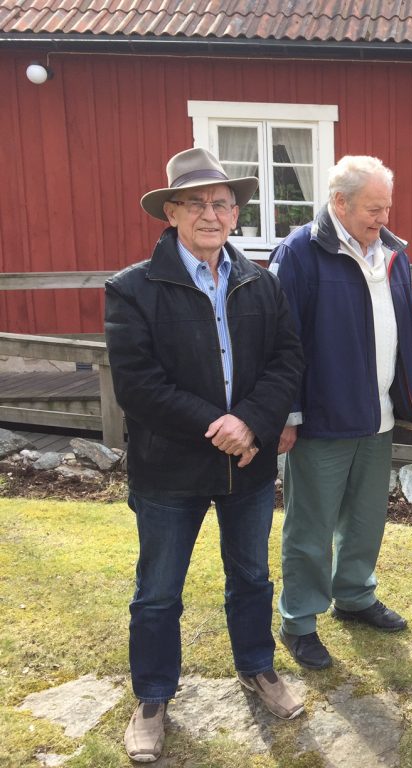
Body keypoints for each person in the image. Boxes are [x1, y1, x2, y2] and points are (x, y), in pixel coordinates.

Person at [105, 147, 305, 763]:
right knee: (159, 590)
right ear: (171, 212)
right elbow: (137, 383)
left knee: (251, 576)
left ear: (236, 212)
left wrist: (250, 422)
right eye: (197, 203)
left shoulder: (260, 282)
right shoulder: (133, 288)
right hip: (170, 469)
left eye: (223, 203)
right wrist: (216, 424)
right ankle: (153, 697)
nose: (212, 214)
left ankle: (258, 669)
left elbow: (286, 361)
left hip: (246, 464)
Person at [270, 155, 412, 671]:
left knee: (365, 520)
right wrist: (287, 414)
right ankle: (300, 620)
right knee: (310, 527)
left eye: (386, 207)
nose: (382, 217)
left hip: (377, 415)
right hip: (321, 419)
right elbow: (280, 340)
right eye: (372, 208)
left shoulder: (391, 253)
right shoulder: (299, 252)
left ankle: (355, 596)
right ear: (339, 202)